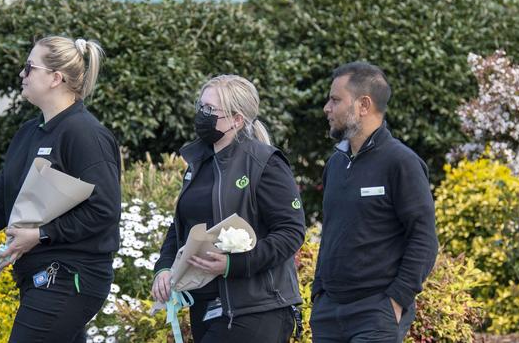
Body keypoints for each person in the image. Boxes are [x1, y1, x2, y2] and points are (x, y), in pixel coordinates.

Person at [0, 36, 121, 343]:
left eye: (29, 67)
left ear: (56, 78)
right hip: (38, 274)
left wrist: (42, 234)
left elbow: (104, 210)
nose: (21, 74)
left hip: (71, 276)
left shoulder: (85, 134)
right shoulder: (31, 131)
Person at [151, 75, 305, 342]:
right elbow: (181, 227)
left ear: (237, 119)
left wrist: (233, 264)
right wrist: (163, 268)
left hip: (256, 310)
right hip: (204, 308)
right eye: (201, 107)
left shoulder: (264, 162)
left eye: (211, 110)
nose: (202, 115)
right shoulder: (199, 162)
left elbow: (291, 232)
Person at [310, 62, 438, 342]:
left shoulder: (401, 162)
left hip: (375, 312)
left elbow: (424, 238)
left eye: (335, 100)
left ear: (363, 105)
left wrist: (396, 301)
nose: (326, 109)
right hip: (328, 313)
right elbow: (332, 231)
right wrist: (318, 294)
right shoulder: (335, 164)